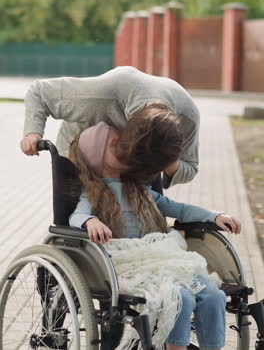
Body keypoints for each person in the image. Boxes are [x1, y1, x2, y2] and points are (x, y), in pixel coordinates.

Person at [67, 113, 241, 350]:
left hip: (162, 254)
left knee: (213, 295)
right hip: (129, 260)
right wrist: (90, 221)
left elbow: (178, 209)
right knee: (179, 297)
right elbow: (76, 215)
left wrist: (214, 216)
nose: (126, 148)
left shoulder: (140, 190)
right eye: (116, 145)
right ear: (97, 155)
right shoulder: (94, 193)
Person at [20, 66, 200, 189]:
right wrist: (33, 132)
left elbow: (190, 168)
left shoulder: (188, 118)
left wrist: (169, 160)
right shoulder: (100, 96)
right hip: (78, 154)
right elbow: (39, 92)